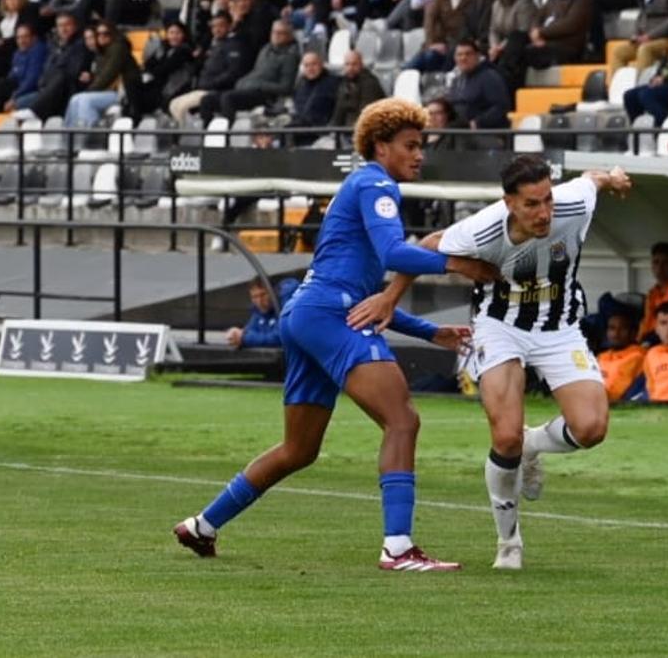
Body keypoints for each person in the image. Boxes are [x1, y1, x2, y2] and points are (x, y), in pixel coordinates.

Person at [173, 98, 501, 571]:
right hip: (328, 312)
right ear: (381, 145)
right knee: (402, 421)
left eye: (421, 145)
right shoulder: (374, 183)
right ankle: (399, 548)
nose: (419, 154)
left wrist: (430, 332)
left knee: (299, 449)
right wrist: (458, 263)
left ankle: (202, 525)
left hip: (309, 313)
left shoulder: (364, 185)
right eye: (410, 145)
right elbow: (392, 254)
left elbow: (366, 295)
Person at [348, 155, 632, 570]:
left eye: (547, 200)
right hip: (500, 327)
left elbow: (593, 179)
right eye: (532, 204)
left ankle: (534, 444)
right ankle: (508, 541)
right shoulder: (482, 228)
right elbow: (427, 246)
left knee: (591, 429)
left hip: (560, 328)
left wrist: (615, 178)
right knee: (505, 437)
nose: (544, 212)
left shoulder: (574, 203)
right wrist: (389, 298)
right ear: (509, 203)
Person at [198, 19, 299, 123]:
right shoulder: (266, 48)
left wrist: (260, 85)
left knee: (228, 98)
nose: (276, 35)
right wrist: (242, 82)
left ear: (289, 36)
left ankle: (226, 135)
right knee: (207, 99)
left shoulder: (290, 56)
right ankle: (206, 135)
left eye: (281, 33)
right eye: (274, 32)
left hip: (266, 96)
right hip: (249, 89)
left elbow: (286, 87)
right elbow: (256, 72)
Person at [63, 21, 139, 128]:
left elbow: (108, 75)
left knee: (85, 99)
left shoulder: (118, 48)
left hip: (123, 93)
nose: (101, 36)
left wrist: (89, 90)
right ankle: (70, 136)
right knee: (75, 99)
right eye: (98, 34)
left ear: (113, 33)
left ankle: (92, 136)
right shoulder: (103, 52)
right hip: (108, 91)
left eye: (106, 33)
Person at [126, 20, 195, 119]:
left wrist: (151, 73)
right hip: (157, 86)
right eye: (171, 33)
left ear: (184, 35)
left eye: (177, 33)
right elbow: (148, 64)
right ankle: (133, 112)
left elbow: (165, 68)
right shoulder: (163, 48)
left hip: (170, 90)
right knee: (131, 81)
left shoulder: (184, 51)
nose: (174, 36)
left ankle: (135, 114)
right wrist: (150, 72)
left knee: (136, 92)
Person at [447, 39, 510, 131]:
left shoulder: (489, 77)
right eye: (459, 55)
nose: (463, 58)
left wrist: (477, 123)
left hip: (486, 133)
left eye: (468, 54)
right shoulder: (456, 80)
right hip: (459, 133)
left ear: (477, 56)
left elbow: (501, 107)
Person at [225, 277, 300, 349]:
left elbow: (281, 337)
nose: (259, 301)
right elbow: (250, 330)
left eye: (263, 295)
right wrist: (237, 334)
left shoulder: (286, 307)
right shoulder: (258, 311)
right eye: (255, 297)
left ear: (274, 292)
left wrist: (245, 339)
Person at [329, 49, 387, 128]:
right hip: (346, 130)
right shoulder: (344, 82)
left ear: (361, 65)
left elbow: (366, 113)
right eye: (347, 64)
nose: (350, 68)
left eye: (354, 64)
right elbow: (339, 111)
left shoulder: (370, 83)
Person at [597, 311, 645, 402]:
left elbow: (615, 394)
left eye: (623, 328)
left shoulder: (637, 356)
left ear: (634, 333)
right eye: (612, 328)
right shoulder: (601, 356)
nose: (616, 333)